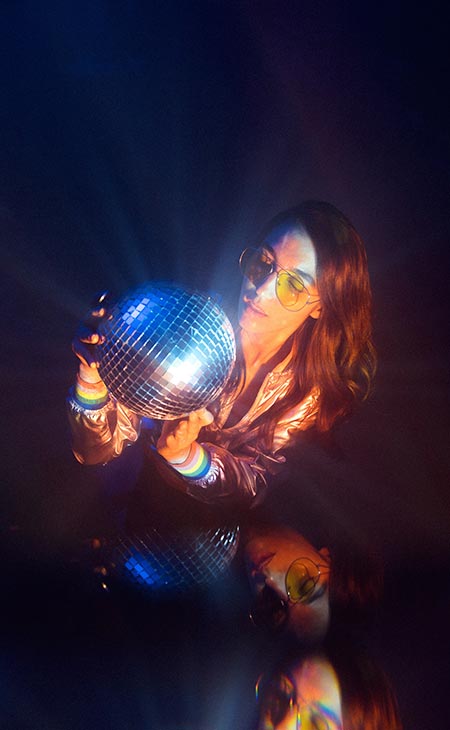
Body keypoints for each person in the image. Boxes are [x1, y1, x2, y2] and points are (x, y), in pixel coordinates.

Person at [68, 201, 375, 509]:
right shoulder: (183, 323)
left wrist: (187, 457)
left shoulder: (307, 393)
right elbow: (97, 451)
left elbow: (254, 485)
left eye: (294, 285)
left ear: (321, 306)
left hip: (223, 535)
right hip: (138, 502)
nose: (262, 289)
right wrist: (92, 378)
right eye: (264, 262)